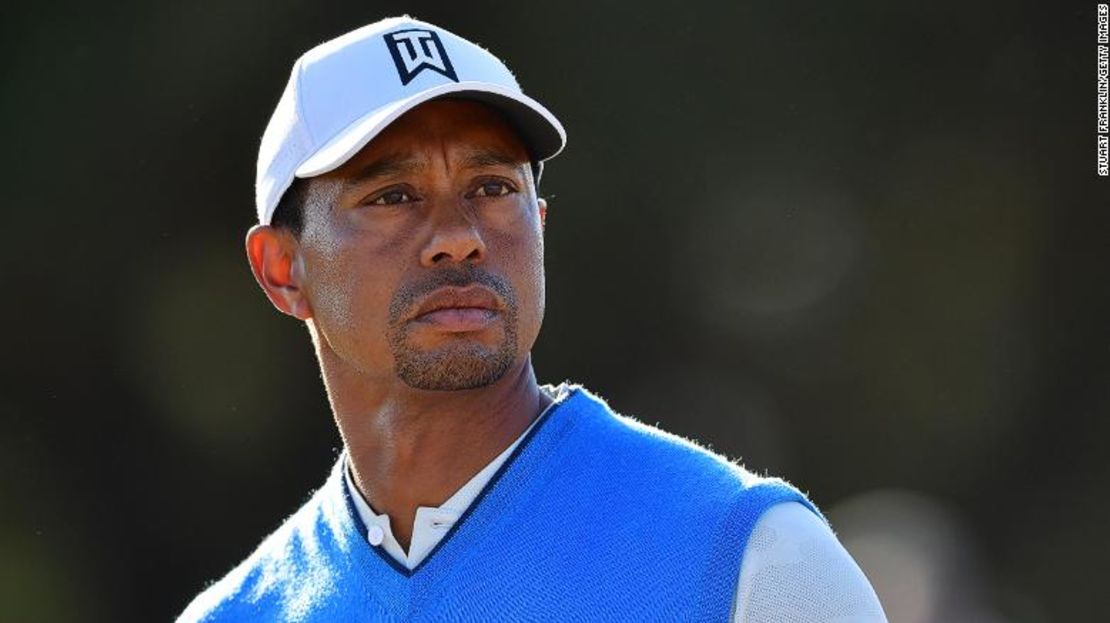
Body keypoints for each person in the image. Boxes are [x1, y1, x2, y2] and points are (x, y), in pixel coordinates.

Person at [178, 16, 887, 622]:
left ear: (538, 224)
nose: (458, 235)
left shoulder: (750, 560)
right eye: (393, 195)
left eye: (491, 187)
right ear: (281, 268)